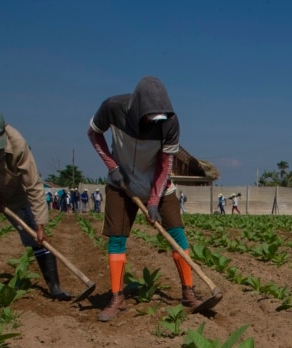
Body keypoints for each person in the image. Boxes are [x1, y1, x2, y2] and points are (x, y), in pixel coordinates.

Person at [87, 75, 219, 321]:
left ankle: (188, 293)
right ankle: (117, 296)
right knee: (117, 239)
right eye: (151, 116)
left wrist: (154, 200)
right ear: (138, 109)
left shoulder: (170, 124)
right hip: (121, 184)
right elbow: (93, 134)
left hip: (158, 185)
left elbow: (165, 163)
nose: (156, 121)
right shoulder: (112, 108)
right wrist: (112, 166)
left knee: (178, 235)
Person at [0, 108, 70, 310]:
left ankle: (55, 287)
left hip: (13, 192)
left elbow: (34, 186)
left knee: (36, 239)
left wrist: (41, 225)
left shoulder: (18, 143)